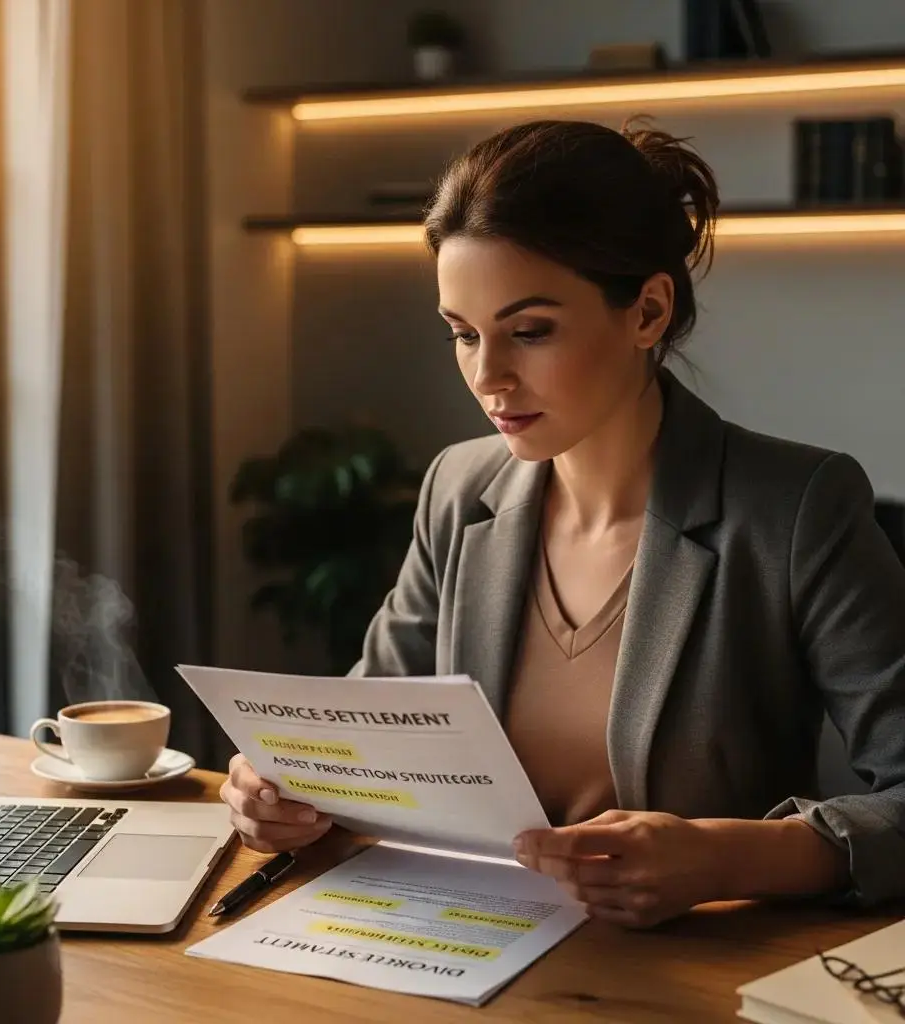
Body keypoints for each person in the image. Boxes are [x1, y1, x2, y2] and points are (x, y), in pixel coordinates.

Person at [221, 119, 905, 928]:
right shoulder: (459, 487)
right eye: (462, 335)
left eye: (530, 331)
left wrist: (725, 856)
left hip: (691, 971)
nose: (487, 376)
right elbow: (368, 738)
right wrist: (285, 789)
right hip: (464, 942)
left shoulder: (797, 507)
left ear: (648, 310)